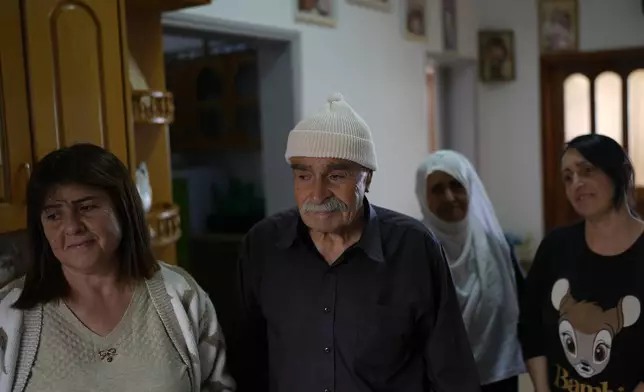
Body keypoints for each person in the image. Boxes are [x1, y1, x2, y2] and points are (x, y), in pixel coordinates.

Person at [234, 93, 479, 392]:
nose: (318, 194)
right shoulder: (262, 247)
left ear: (368, 178)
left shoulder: (415, 249)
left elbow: (452, 372)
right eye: (304, 176)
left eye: (336, 176)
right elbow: (245, 363)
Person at [0, 143, 235, 392]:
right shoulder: (8, 314)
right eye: (53, 215)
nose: (72, 226)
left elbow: (218, 386)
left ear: (123, 210)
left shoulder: (180, 294)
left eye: (87, 207)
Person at [519, 134, 644, 392]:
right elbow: (530, 327)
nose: (576, 183)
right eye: (568, 177)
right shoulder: (556, 246)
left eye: (586, 171)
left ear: (618, 173)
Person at [415, 150, 526, 392]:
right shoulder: (414, 250)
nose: (450, 196)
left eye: (457, 185)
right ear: (423, 197)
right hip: (438, 379)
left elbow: (525, 310)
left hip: (497, 374)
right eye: (437, 189)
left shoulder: (498, 246)